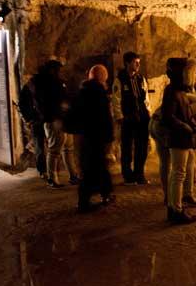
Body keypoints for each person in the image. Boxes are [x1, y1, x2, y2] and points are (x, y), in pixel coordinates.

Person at [160, 58, 196, 224]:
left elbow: (183, 111)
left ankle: (175, 207)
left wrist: (192, 124)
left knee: (179, 173)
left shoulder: (179, 90)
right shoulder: (171, 91)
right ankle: (175, 210)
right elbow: (168, 117)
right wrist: (185, 126)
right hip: (178, 137)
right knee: (178, 173)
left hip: (183, 136)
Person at [72, 65, 115, 213]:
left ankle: (87, 199)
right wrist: (110, 138)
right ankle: (101, 196)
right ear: (102, 78)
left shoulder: (82, 91)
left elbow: (76, 114)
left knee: (89, 169)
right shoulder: (99, 93)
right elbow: (106, 117)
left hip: (85, 137)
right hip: (98, 137)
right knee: (99, 168)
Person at [34, 58, 80, 188]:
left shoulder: (57, 83)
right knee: (54, 151)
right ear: (53, 71)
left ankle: (73, 175)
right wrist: (59, 112)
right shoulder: (47, 84)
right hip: (54, 120)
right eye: (59, 70)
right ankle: (52, 179)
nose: (62, 72)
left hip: (63, 120)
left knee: (68, 149)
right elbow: (50, 103)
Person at [112, 51, 151, 185]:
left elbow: (146, 98)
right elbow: (116, 100)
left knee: (142, 147)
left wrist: (148, 113)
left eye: (139, 62)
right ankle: (128, 175)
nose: (138, 65)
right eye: (135, 62)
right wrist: (120, 117)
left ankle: (139, 174)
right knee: (127, 147)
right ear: (127, 63)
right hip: (128, 118)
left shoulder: (141, 78)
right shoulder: (120, 80)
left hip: (142, 117)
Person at [19, 72, 46, 178]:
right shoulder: (32, 87)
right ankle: (44, 170)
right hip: (40, 119)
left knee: (39, 145)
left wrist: (28, 118)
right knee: (40, 146)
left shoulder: (29, 86)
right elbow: (22, 103)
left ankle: (43, 170)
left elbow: (22, 104)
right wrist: (29, 118)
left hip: (38, 119)